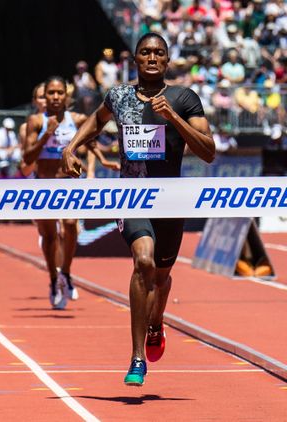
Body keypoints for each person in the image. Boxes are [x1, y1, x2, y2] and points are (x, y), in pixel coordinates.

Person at [63, 32, 215, 386]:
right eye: (144, 52)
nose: (151, 58)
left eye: (158, 53)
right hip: (130, 196)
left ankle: (156, 322)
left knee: (161, 278)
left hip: (171, 201)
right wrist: (72, 146)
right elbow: (96, 120)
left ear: (166, 61)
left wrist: (174, 118)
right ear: (135, 59)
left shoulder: (184, 98)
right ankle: (136, 357)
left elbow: (208, 152)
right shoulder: (118, 96)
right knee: (142, 261)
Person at [23, 76, 118, 310]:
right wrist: (47, 134)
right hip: (44, 184)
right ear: (44, 97)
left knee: (70, 225)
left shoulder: (77, 120)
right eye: (50, 93)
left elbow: (91, 141)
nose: (55, 97)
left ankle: (65, 272)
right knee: (49, 236)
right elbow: (27, 158)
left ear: (66, 96)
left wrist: (103, 161)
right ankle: (54, 280)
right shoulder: (36, 121)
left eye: (59, 93)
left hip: (68, 184)